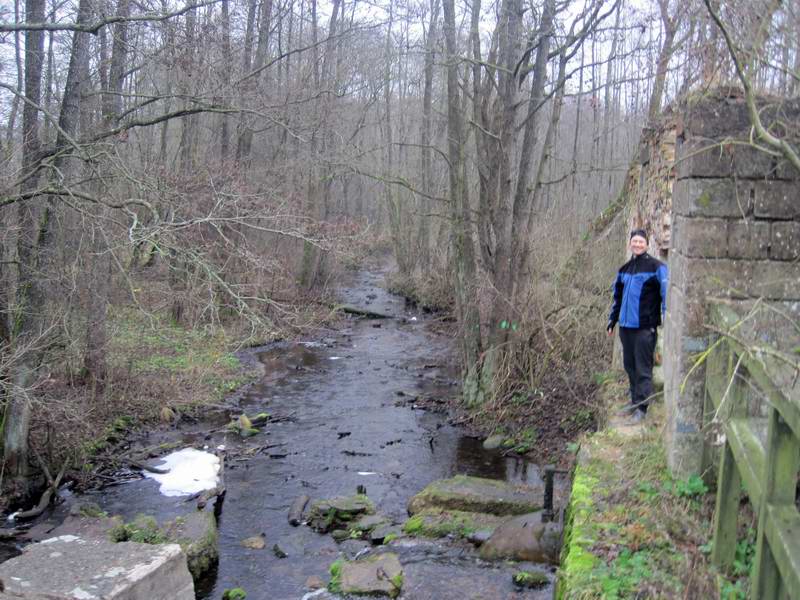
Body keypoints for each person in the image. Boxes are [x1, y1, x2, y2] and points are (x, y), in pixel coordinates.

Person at [607, 229, 668, 421]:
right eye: (635, 241)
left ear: (647, 244)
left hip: (645, 327)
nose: (638, 244)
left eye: (641, 241)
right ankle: (634, 401)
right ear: (630, 243)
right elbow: (617, 298)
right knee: (630, 365)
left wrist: (666, 316)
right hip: (625, 328)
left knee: (643, 367)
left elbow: (667, 293)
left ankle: (642, 407)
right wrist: (612, 321)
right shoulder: (624, 269)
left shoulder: (657, 267)